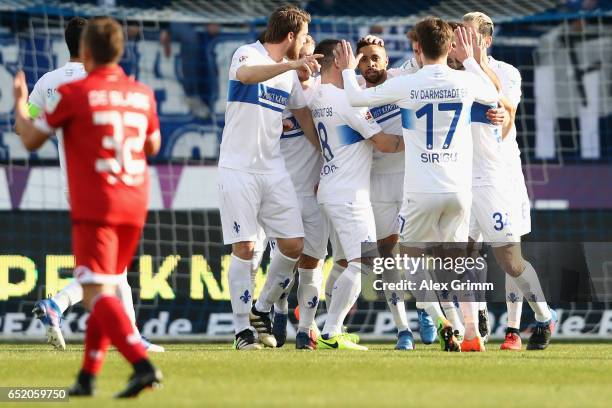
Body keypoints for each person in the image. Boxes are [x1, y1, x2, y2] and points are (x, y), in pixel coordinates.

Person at [13, 17, 162, 397]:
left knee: (99, 290)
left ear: (82, 49)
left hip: (92, 197)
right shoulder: (140, 92)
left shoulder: (69, 91)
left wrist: (18, 103)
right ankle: (88, 375)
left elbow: (28, 135)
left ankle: (139, 361)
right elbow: (152, 146)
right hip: (135, 198)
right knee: (112, 279)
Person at [338, 18, 500, 351]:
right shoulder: (465, 81)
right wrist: (470, 58)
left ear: (418, 48)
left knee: (410, 261)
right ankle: (471, 333)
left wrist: (346, 68)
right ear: (450, 46)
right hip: (458, 189)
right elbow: (493, 94)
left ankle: (444, 322)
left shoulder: (410, 84)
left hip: (421, 188)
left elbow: (355, 98)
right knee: (458, 264)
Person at [218, 5, 322, 350]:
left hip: (273, 169)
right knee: (246, 247)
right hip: (238, 167)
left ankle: (261, 308)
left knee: (294, 244)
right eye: (304, 37)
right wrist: (292, 64)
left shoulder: (290, 74)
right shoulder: (247, 53)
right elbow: (246, 77)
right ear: (291, 36)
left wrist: (324, 153)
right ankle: (240, 330)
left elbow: (303, 114)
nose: (306, 44)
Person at [463, 11, 557, 351]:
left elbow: (507, 113)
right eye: (458, 33)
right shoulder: (447, 72)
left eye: (469, 35)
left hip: (496, 175)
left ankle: (540, 318)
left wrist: (476, 63)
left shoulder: (505, 72)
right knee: (464, 254)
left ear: (486, 40)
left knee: (509, 259)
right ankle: (478, 317)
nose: (461, 39)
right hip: (457, 176)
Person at [311, 39, 404, 351]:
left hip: (330, 186)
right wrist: (423, 141)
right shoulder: (347, 101)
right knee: (363, 261)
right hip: (349, 193)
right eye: (351, 58)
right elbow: (385, 144)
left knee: (342, 262)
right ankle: (332, 330)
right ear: (340, 62)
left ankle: (317, 326)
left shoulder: (317, 94)